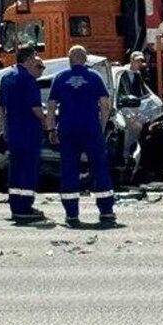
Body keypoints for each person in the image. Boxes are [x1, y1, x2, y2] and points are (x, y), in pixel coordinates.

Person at [47, 45, 115, 226]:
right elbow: (105, 104)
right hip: (90, 128)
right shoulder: (94, 77)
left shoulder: (60, 78)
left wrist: (51, 129)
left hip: (68, 129)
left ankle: (71, 214)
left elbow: (51, 107)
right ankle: (106, 211)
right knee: (99, 168)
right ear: (85, 59)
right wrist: (100, 126)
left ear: (69, 59)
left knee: (69, 169)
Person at [0, 44, 49, 223]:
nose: (36, 60)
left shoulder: (7, 77)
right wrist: (45, 122)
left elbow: (1, 106)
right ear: (27, 59)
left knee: (15, 170)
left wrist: (4, 127)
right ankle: (25, 208)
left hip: (13, 131)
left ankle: (15, 205)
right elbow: (35, 108)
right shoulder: (28, 79)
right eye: (34, 57)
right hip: (28, 131)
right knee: (28, 170)